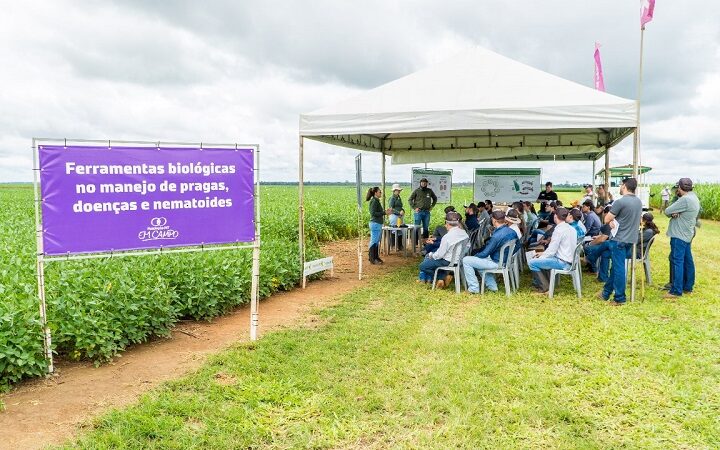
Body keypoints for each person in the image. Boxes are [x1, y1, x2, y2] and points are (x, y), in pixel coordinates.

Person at [599, 178, 643, 305]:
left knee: (618, 269)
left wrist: (611, 220)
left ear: (624, 186)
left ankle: (619, 298)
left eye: (620, 185)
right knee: (616, 268)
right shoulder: (638, 202)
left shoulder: (620, 201)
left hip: (618, 239)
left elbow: (606, 218)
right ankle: (606, 292)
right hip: (630, 239)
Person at [462, 210, 518, 294]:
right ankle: (492, 287)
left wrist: (475, 256)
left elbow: (485, 253)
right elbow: (518, 246)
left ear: (494, 220)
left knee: (466, 260)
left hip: (497, 262)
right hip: (506, 261)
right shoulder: (512, 231)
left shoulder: (496, 236)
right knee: (479, 262)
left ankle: (473, 288)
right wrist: (508, 257)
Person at [663, 178, 701, 299]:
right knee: (688, 260)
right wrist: (676, 212)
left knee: (677, 261)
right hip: (687, 234)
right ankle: (688, 286)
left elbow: (667, 211)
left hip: (679, 235)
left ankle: (676, 290)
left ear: (679, 187)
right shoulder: (693, 197)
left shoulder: (684, 200)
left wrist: (675, 212)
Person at [528, 207, 577, 294]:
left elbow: (551, 250)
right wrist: (543, 254)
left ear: (555, 216)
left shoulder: (559, 230)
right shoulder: (571, 228)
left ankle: (545, 288)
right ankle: (548, 284)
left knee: (532, 262)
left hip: (563, 262)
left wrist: (541, 256)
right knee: (542, 259)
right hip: (569, 260)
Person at [417, 211, 469, 286]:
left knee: (423, 266)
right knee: (430, 258)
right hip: (459, 260)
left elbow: (440, 255)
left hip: (447, 261)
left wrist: (432, 255)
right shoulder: (464, 233)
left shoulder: (447, 236)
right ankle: (440, 278)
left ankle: (442, 277)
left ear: (447, 224)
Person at [366, 187, 391, 265]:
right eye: (380, 192)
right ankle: (372, 258)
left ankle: (376, 257)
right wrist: (384, 213)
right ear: (375, 193)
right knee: (374, 241)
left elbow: (378, 212)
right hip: (375, 223)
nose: (381, 193)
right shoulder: (374, 201)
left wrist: (385, 212)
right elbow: (373, 213)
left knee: (376, 241)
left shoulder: (376, 201)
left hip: (377, 223)